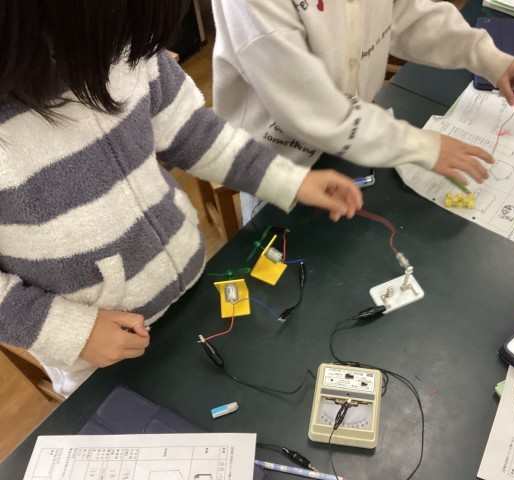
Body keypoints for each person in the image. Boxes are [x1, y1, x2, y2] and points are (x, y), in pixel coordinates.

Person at [0, 0, 362, 396]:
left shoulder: (121, 36)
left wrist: (287, 180)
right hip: (99, 353)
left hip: (192, 288)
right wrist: (71, 332)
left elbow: (192, 133)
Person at [212, 0, 514, 221]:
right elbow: (312, 107)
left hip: (355, 140)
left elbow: (404, 14)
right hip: (281, 165)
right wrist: (423, 146)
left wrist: (484, 55)